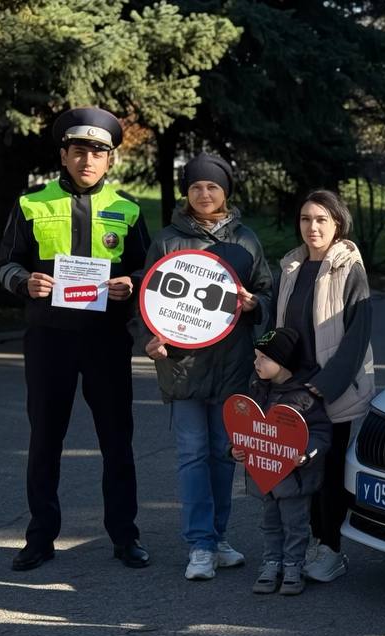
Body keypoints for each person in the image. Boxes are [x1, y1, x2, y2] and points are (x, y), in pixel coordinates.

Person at [0, 107, 151, 571]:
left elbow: (148, 270)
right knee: (45, 438)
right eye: (79, 150)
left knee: (116, 441)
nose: (88, 159)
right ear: (64, 155)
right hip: (50, 339)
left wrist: (133, 283)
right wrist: (26, 283)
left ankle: (125, 537)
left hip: (106, 339)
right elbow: (5, 265)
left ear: (110, 161)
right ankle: (40, 538)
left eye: (98, 152)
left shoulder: (128, 209)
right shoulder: (31, 203)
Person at [141, 154, 274, 581]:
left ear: (225, 192)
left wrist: (256, 305)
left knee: (223, 455)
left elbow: (268, 294)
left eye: (212, 187)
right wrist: (151, 340)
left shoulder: (247, 241)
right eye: (196, 186)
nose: (204, 194)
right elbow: (146, 304)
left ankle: (218, 539)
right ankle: (199, 544)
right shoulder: (166, 241)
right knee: (192, 455)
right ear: (187, 192)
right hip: (182, 368)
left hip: (232, 367)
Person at [275, 190, 374, 583]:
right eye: (305, 219)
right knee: (300, 472)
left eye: (321, 219)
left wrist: (323, 387)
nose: (312, 227)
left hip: (331, 389)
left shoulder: (350, 268)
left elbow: (358, 336)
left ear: (337, 224)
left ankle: (330, 549)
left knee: (330, 475)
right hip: (293, 390)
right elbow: (282, 329)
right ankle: (306, 543)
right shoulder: (291, 267)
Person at [236, 328, 332, 595]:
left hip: (294, 477)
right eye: (255, 356)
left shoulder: (304, 397)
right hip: (263, 474)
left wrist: (307, 453)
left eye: (263, 358)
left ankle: (293, 566)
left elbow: (321, 432)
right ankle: (271, 563)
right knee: (269, 523)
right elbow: (244, 427)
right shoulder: (257, 389)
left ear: (284, 362)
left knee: (295, 524)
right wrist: (235, 449)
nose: (256, 363)